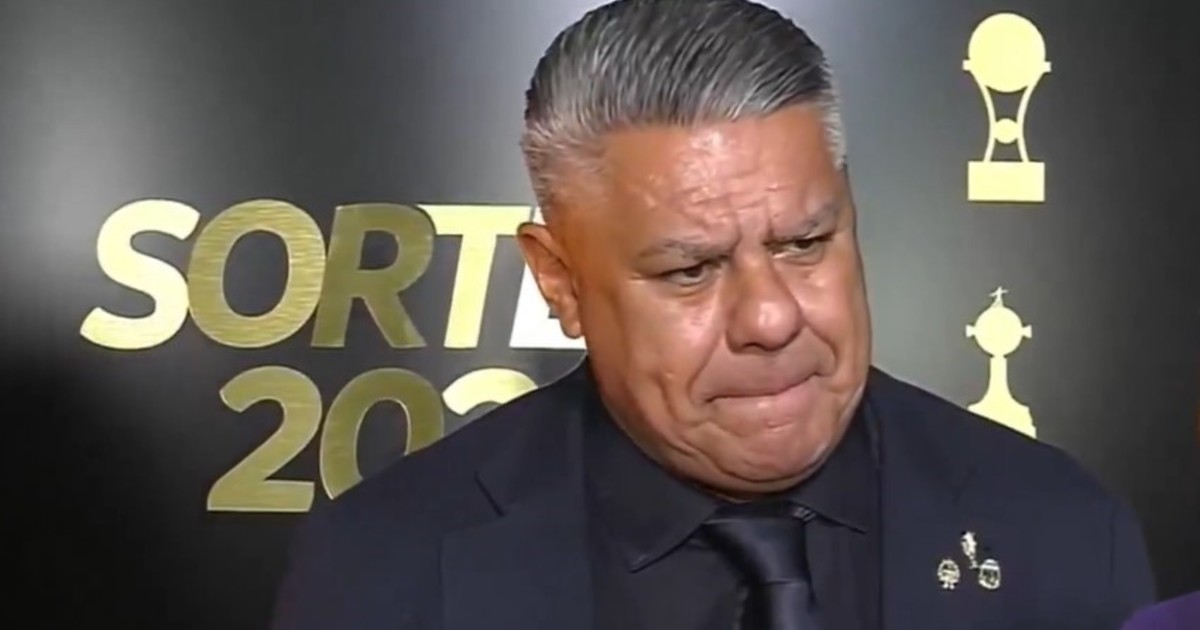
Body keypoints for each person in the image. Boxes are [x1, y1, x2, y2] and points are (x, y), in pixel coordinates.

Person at [270, 1, 1157, 628]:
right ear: (560, 281)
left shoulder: (1066, 534)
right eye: (690, 270)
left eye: (805, 243)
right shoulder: (385, 569)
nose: (770, 319)